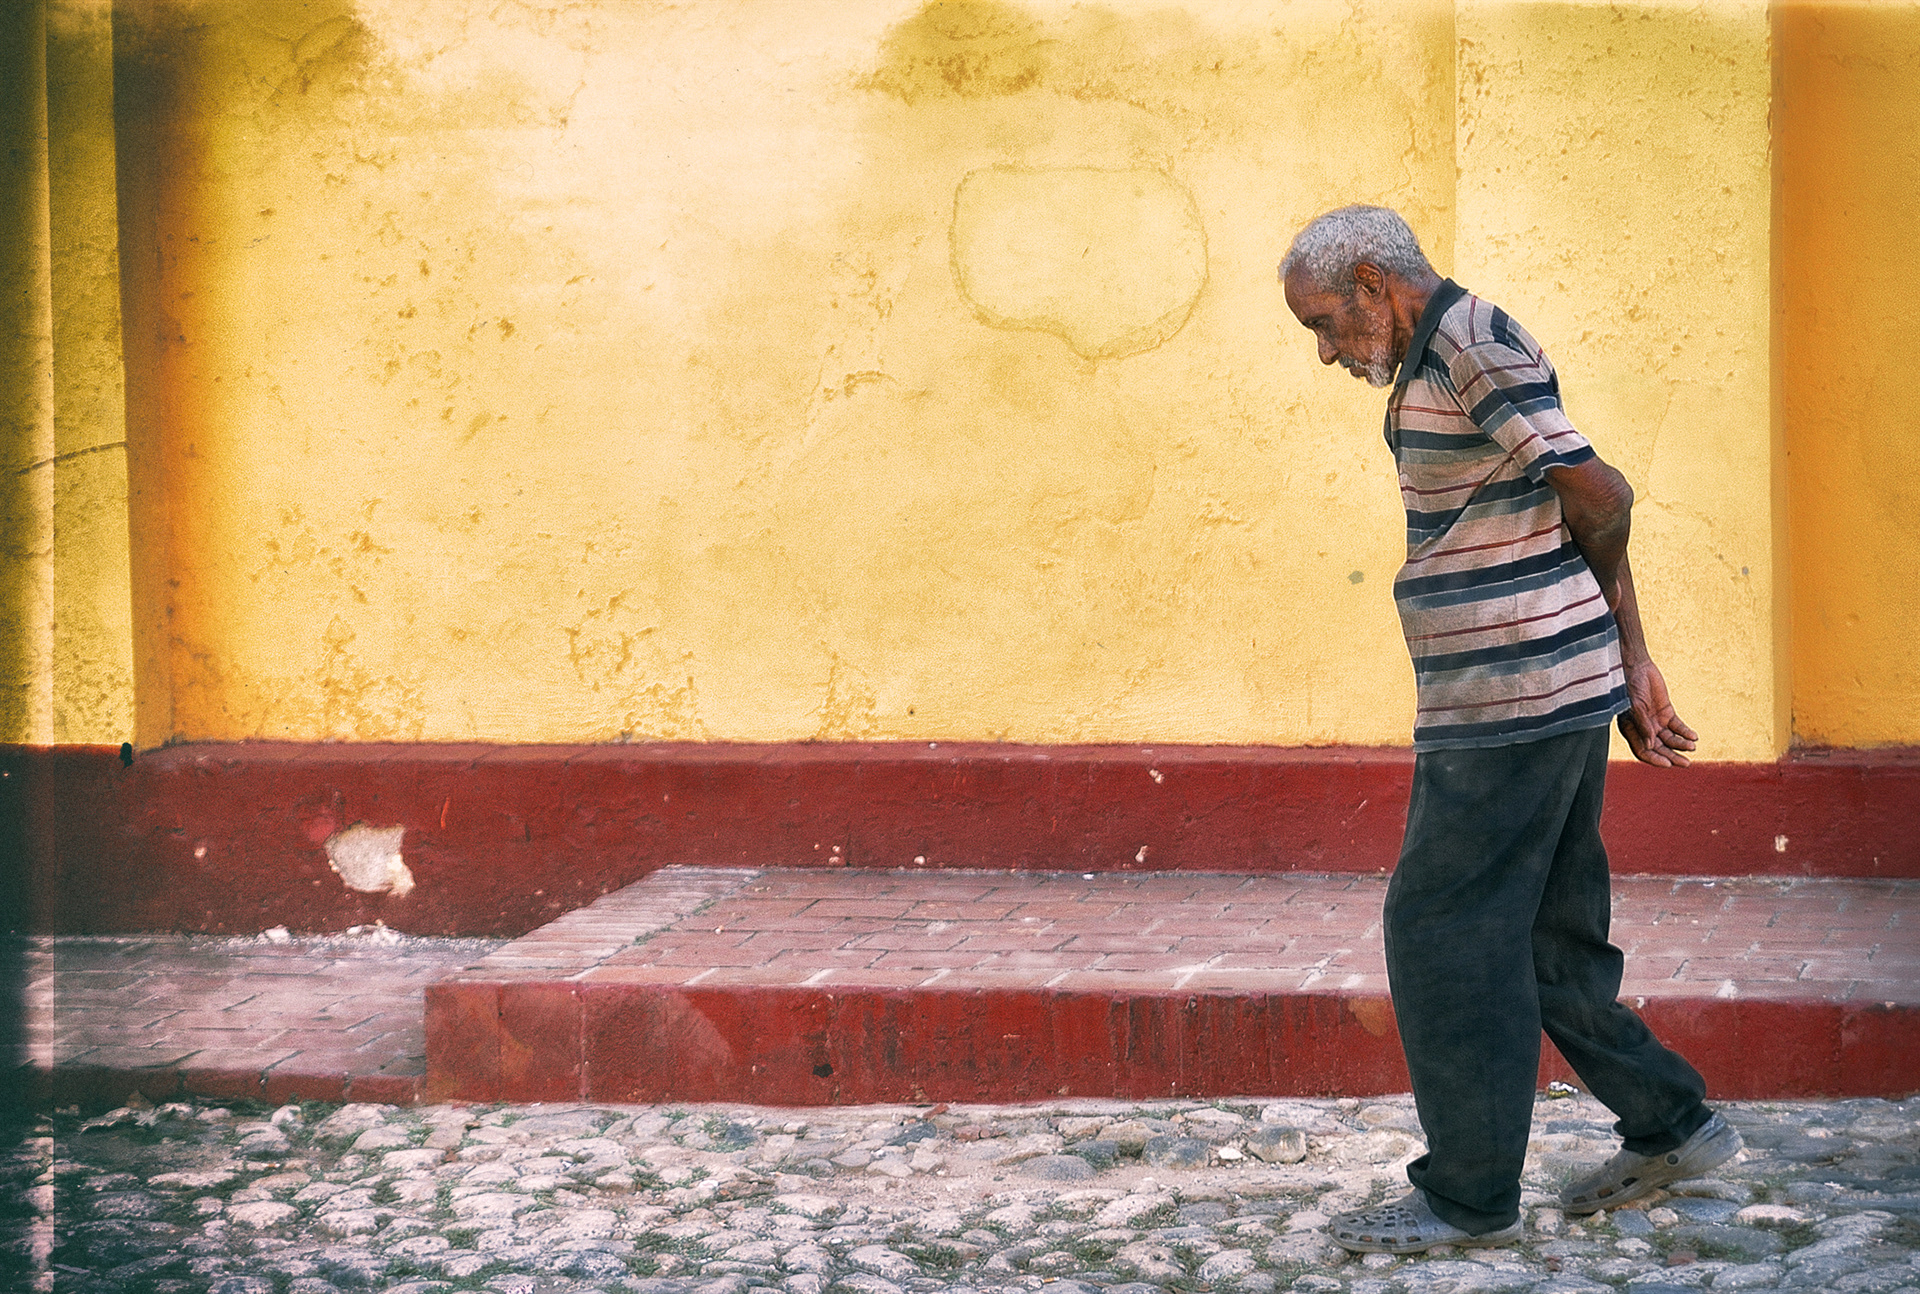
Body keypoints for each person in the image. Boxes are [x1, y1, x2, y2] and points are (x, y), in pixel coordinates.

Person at [1277, 206, 1741, 1255]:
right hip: (1546, 685)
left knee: (1441, 933)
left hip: (1509, 701)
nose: (1325, 351)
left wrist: (1629, 653)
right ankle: (1671, 1125)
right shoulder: (1457, 342)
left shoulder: (1466, 342)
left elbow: (1597, 489)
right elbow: (1567, 493)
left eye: (1325, 323)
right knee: (1544, 936)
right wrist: (1622, 654)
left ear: (1370, 281)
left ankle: (1467, 1195)